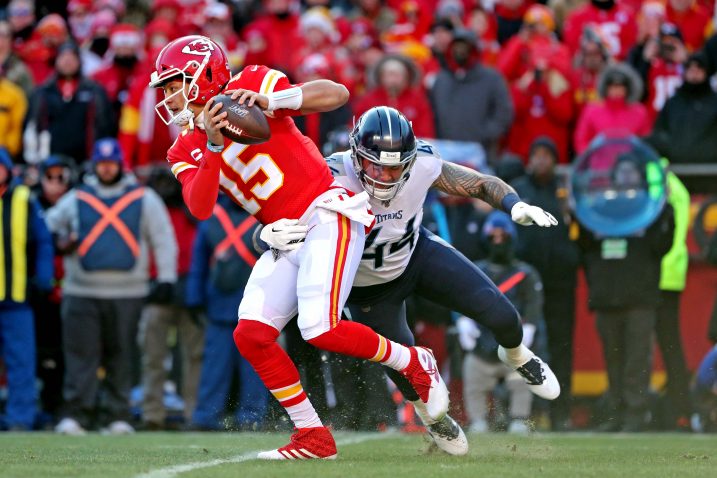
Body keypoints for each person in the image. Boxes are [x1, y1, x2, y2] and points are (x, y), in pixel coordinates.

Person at [150, 35, 448, 460]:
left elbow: (337, 94)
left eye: (172, 82)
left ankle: (413, 361)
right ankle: (313, 435)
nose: (166, 95)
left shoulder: (252, 80)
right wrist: (214, 146)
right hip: (285, 233)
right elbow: (199, 207)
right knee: (251, 334)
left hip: (328, 212)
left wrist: (275, 101)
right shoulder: (185, 144)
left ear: (202, 76)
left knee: (320, 327)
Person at [303, 106, 560, 452]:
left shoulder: (423, 163)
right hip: (368, 289)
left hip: (417, 255)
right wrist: (271, 234)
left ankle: (516, 355)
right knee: (408, 372)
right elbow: (277, 215)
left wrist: (514, 206)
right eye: (375, 164)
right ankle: (435, 421)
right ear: (356, 154)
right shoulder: (327, 175)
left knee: (503, 315)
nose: (385, 176)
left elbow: (481, 183)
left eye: (395, 167)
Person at [46, 138, 177, 435]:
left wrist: (167, 277)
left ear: (120, 164)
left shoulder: (143, 198)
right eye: (102, 164)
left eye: (111, 163)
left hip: (129, 291)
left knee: (122, 354)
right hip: (80, 290)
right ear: (95, 165)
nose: (106, 169)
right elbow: (48, 227)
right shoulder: (77, 197)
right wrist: (59, 243)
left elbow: (163, 237)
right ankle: (78, 415)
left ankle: (118, 415)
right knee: (81, 356)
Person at [574, 154, 675, 432]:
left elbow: (662, 245)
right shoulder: (601, 208)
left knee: (636, 362)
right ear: (614, 177)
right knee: (613, 360)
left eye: (632, 172)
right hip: (607, 297)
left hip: (640, 298)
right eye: (622, 171)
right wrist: (574, 210)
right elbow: (585, 246)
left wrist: (666, 207)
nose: (627, 177)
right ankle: (615, 415)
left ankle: (635, 416)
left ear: (640, 178)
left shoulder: (651, 210)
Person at [511, 137, 579, 430]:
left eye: (546, 155)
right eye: (535, 154)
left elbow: (578, 231)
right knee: (526, 346)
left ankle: (560, 413)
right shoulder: (520, 190)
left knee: (562, 347)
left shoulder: (567, 192)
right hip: (526, 285)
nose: (541, 160)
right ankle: (524, 414)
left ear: (555, 160)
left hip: (560, 283)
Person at [186, 194, 269, 431]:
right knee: (214, 365)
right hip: (219, 303)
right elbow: (199, 260)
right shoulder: (212, 216)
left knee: (254, 367)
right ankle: (207, 417)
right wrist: (194, 297)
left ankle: (252, 418)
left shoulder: (265, 217)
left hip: (256, 305)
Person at [459, 211, 545, 434]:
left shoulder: (525, 274)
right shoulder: (475, 271)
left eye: (502, 236)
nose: (498, 241)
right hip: (482, 346)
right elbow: (460, 298)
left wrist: (529, 327)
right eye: (493, 237)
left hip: (513, 347)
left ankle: (519, 418)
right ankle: (477, 420)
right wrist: (462, 321)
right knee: (472, 370)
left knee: (525, 372)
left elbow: (533, 306)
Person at [0, 147, 54, 430]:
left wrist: (44, 276)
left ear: (9, 170)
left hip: (16, 297)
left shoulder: (23, 199)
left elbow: (43, 242)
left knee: (21, 362)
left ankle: (20, 418)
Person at [430, 28, 514, 162]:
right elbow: (431, 112)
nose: (460, 51)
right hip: (444, 152)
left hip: (481, 152)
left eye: (464, 47)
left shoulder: (492, 78)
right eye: (456, 47)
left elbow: (503, 113)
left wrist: (484, 134)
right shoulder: (441, 79)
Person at [646, 52, 717, 165]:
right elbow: (660, 133)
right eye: (689, 67)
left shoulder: (714, 103)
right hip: (676, 170)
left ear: (706, 72)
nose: (694, 71)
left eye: (699, 67)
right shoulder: (673, 103)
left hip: (711, 171)